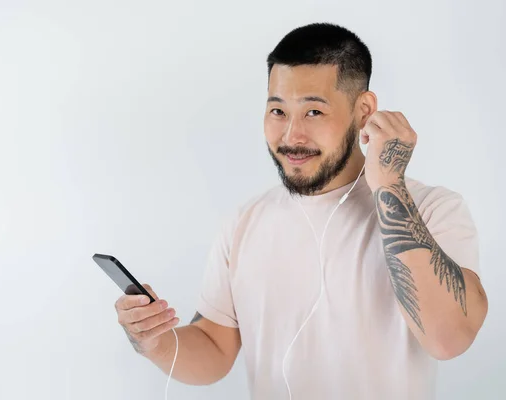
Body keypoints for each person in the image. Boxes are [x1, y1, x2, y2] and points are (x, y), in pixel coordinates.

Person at [113, 22, 488, 399]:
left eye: (313, 112)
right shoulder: (245, 222)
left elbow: (449, 339)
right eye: (278, 110)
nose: (291, 136)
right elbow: (214, 347)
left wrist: (390, 186)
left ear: (364, 111)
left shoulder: (431, 209)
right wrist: (154, 340)